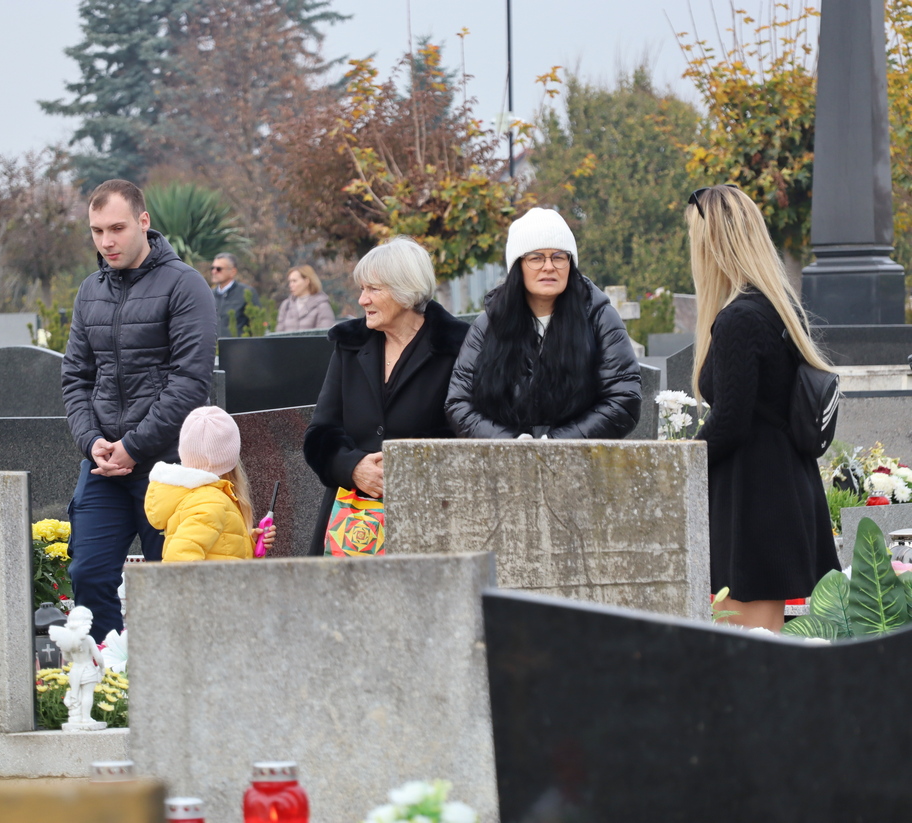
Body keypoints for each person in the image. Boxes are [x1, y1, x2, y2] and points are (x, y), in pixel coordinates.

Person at [62, 178, 217, 640]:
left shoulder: (185, 285)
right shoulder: (90, 291)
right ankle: (111, 670)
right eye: (97, 231)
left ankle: (170, 675)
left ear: (143, 222)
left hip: (170, 463)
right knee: (87, 574)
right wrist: (92, 442)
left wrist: (133, 446)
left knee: (171, 584)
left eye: (117, 228)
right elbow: (76, 379)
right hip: (104, 464)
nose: (106, 241)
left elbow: (190, 383)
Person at [687, 185, 839, 632]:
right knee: (762, 644)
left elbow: (730, 422)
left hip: (754, 498)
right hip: (780, 486)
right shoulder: (776, 307)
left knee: (749, 649)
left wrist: (681, 461)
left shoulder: (739, 318)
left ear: (712, 242)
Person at [303, 236, 470, 555]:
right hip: (348, 523)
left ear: (406, 291)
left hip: (426, 521)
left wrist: (403, 469)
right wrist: (353, 467)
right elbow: (320, 432)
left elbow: (466, 437)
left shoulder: (458, 347)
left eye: (373, 289)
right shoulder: (349, 344)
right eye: (362, 288)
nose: (362, 299)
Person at [446, 207, 641, 440]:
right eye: (536, 258)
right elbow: (459, 403)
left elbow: (623, 400)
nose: (549, 266)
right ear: (518, 266)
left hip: (582, 457)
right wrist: (510, 444)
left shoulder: (599, 318)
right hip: (504, 456)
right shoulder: (489, 325)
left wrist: (557, 443)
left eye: (559, 257)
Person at [144, 405, 275, 561]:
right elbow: (179, 562)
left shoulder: (199, 497)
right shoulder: (211, 502)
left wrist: (247, 543)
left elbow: (217, 550)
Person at [210, 252, 259, 337]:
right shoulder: (209, 295)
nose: (214, 272)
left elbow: (257, 324)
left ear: (233, 271)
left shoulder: (246, 293)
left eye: (218, 269)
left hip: (239, 344)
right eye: (212, 268)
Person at [275, 265, 335, 332]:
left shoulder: (322, 306)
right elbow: (279, 333)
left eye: (294, 281)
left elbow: (323, 334)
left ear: (307, 281)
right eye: (290, 281)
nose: (290, 285)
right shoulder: (286, 306)